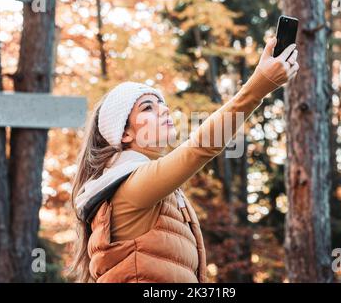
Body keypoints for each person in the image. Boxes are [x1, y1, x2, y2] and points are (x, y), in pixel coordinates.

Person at [68, 36, 299, 282]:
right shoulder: (130, 186)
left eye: (162, 104)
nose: (164, 109)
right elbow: (201, 147)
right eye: (148, 107)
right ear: (124, 134)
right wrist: (259, 85)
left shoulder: (156, 189)